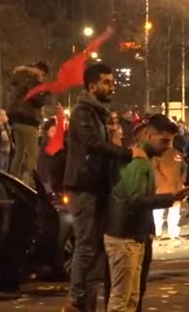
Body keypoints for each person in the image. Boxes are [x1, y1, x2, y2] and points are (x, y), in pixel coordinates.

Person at [62, 63, 137, 312]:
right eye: (106, 81)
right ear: (92, 86)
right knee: (86, 244)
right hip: (83, 186)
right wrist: (126, 153)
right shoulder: (83, 112)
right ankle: (77, 299)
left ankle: (88, 299)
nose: (112, 85)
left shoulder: (101, 113)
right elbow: (93, 143)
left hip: (97, 186)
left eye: (112, 80)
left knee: (96, 246)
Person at [104, 115, 189, 311]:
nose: (168, 146)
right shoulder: (140, 162)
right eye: (164, 140)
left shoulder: (141, 159)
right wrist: (171, 198)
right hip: (126, 236)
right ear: (149, 135)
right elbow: (136, 200)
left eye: (170, 141)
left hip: (129, 234)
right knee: (123, 299)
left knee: (130, 298)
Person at [7, 66, 49, 186]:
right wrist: (44, 91)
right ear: (39, 72)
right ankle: (32, 183)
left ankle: (12, 179)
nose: (43, 77)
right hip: (28, 121)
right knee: (33, 154)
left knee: (19, 152)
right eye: (43, 74)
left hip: (16, 121)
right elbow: (38, 101)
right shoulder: (33, 83)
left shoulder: (21, 79)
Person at [152, 145, 187, 246]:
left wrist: (182, 180)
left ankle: (173, 232)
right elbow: (154, 171)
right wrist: (163, 182)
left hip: (176, 188)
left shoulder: (176, 153)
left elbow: (184, 167)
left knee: (175, 212)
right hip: (162, 189)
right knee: (158, 213)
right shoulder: (156, 154)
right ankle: (157, 233)